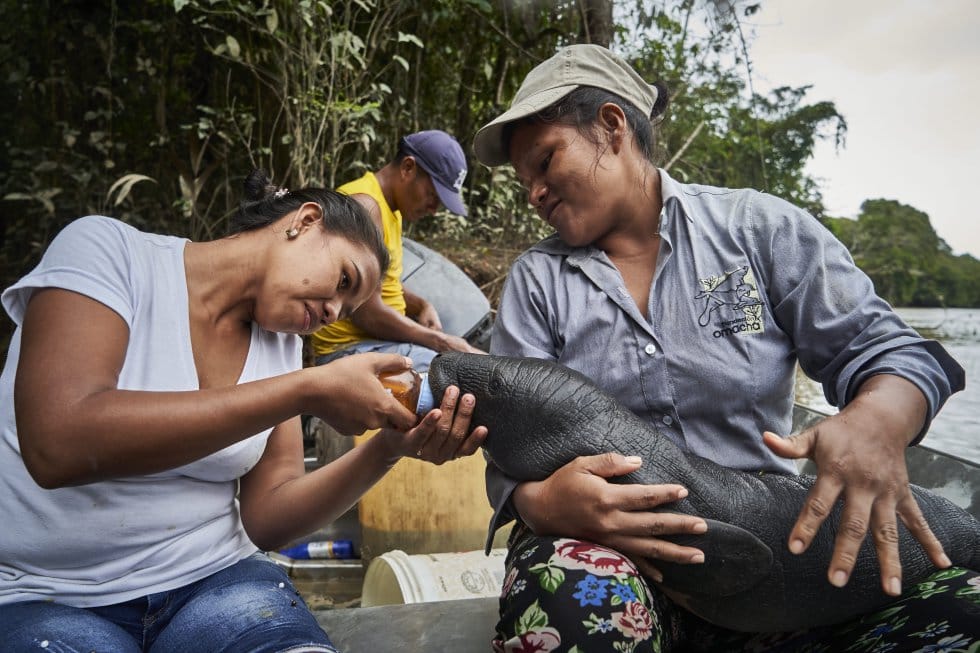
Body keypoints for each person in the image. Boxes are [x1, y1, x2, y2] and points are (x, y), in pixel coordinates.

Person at [471, 44, 976, 651]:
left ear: (611, 126)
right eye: (525, 181)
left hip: (776, 555)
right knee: (563, 603)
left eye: (546, 162)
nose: (534, 192)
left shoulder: (758, 230)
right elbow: (512, 446)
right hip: (609, 550)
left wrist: (877, 420)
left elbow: (893, 354)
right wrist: (548, 505)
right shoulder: (538, 280)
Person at [0, 169, 487, 652]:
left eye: (347, 306)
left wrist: (386, 449)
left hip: (214, 584)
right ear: (305, 221)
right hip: (46, 594)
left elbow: (268, 518)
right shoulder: (111, 254)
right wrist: (305, 389)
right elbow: (58, 442)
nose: (335, 312)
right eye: (343, 279)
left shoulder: (281, 347)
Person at [310, 130, 484, 374]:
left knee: (481, 366)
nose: (434, 209)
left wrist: (420, 306)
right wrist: (439, 341)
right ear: (407, 168)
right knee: (469, 374)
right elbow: (366, 313)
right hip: (350, 350)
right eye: (433, 195)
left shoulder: (392, 209)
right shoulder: (364, 205)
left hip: (381, 343)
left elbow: (382, 282)